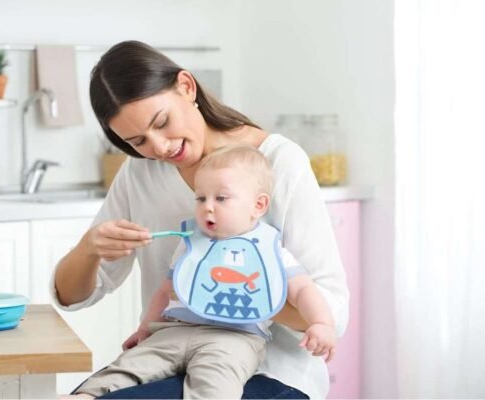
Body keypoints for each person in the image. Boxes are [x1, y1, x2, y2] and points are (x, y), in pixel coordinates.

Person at [52, 40, 349, 399]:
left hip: (267, 368)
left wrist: (225, 292)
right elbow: (72, 297)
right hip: (168, 349)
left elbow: (334, 312)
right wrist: (89, 249)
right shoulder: (140, 171)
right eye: (137, 141)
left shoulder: (278, 162)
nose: (159, 147)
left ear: (186, 87)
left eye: (162, 122)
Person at [70, 146, 337, 399]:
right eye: (201, 198)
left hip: (235, 339)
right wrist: (145, 328)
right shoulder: (190, 243)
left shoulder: (270, 248)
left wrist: (321, 323)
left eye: (221, 198)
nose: (208, 206)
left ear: (258, 205)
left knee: (217, 384)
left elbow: (303, 289)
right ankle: (86, 395)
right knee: (131, 364)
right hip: (174, 330)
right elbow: (165, 291)